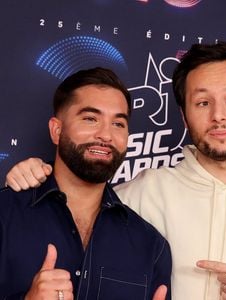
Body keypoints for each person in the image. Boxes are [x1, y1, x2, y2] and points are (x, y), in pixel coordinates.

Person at [6, 42, 226, 299]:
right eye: (202, 102)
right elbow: (82, 191)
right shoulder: (144, 192)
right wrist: (34, 175)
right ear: (184, 116)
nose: (218, 115)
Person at [0, 67, 171, 300]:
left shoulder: (150, 245)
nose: (106, 135)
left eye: (118, 124)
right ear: (56, 130)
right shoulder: (5, 214)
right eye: (91, 119)